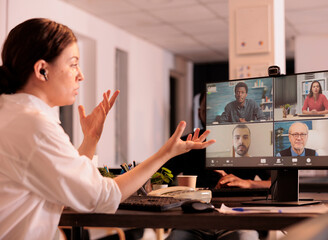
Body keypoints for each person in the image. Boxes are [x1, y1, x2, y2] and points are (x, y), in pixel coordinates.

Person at [0, 18, 215, 240]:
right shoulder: (34, 125)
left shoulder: (13, 115)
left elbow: (72, 189)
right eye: (73, 64)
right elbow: (100, 196)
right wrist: (166, 152)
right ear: (42, 70)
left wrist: (91, 139)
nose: (80, 75)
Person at [164, 94, 270, 240]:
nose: (211, 113)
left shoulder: (246, 143)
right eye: (207, 108)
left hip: (238, 220)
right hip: (192, 222)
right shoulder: (186, 143)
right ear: (199, 112)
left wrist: (248, 183)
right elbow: (160, 179)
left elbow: (275, 183)